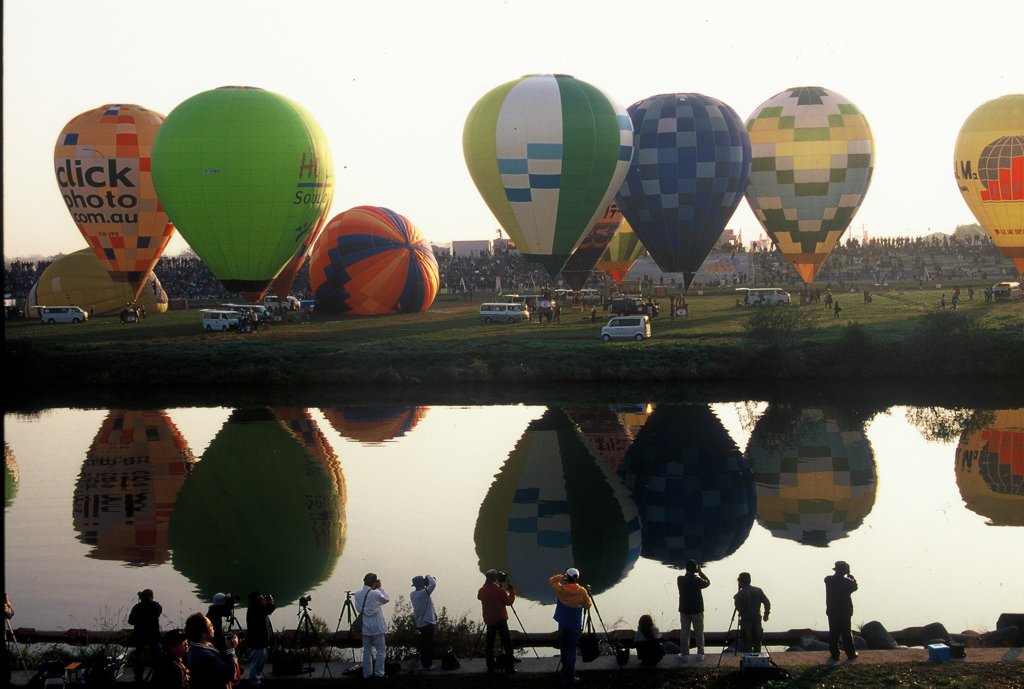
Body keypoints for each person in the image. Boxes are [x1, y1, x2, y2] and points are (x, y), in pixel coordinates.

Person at [549, 567, 592, 686]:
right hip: (574, 625)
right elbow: (588, 605)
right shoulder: (582, 591)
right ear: (577, 578)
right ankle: (570, 675)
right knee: (572, 649)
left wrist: (561, 576)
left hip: (562, 623)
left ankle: (565, 672)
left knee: (563, 647)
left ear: (567, 577)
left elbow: (552, 580)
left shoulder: (561, 589)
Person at [184, 613, 239, 689]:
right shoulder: (204, 655)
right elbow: (231, 673)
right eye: (210, 626)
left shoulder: (195, 648)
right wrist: (231, 649)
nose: (213, 627)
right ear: (203, 633)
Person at [477, 569, 516, 674]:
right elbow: (509, 602)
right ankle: (510, 667)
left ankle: (490, 666)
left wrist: (489, 584)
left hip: (489, 620)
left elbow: (479, 597)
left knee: (489, 644)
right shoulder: (500, 591)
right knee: (507, 643)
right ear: (495, 578)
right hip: (500, 620)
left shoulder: (482, 590)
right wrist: (511, 591)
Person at [355, 572, 390, 679]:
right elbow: (386, 599)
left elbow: (358, 609)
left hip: (365, 627)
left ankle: (367, 674)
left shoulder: (357, 594)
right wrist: (380, 588)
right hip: (377, 627)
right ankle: (379, 673)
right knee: (380, 650)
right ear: (374, 583)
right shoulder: (376, 593)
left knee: (366, 651)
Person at [824, 561, 859, 661]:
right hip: (845, 611)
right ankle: (850, 653)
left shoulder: (828, 580)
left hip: (832, 610)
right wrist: (851, 577)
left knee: (834, 632)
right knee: (846, 633)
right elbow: (855, 587)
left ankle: (835, 654)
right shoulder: (848, 583)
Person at [677, 559, 710, 662]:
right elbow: (708, 583)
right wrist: (700, 573)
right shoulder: (697, 580)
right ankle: (700, 654)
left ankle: (684, 654)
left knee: (684, 632)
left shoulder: (680, 579)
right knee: (699, 633)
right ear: (695, 568)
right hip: (697, 610)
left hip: (684, 610)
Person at [128, 588, 162, 681]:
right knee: (158, 656)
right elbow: (158, 611)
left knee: (138, 656)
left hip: (139, 635)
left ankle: (138, 677)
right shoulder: (156, 607)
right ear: (151, 597)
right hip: (154, 635)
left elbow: (130, 621)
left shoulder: (137, 607)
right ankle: (158, 676)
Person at [733, 572, 771, 653]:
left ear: (741, 582)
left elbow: (739, 608)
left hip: (745, 620)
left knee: (746, 640)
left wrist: (736, 598)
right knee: (758, 639)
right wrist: (766, 614)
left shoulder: (740, 594)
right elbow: (767, 602)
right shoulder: (758, 590)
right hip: (757, 618)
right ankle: (758, 658)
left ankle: (748, 658)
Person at [245, 591, 275, 685]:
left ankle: (256, 681)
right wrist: (270, 603)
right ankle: (254, 683)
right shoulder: (257, 610)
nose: (264, 600)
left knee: (259, 664)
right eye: (262, 599)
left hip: (260, 642)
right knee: (256, 665)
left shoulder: (256, 609)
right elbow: (268, 609)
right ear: (257, 601)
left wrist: (271, 603)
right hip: (258, 643)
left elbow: (269, 609)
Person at [410, 575, 437, 671]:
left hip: (420, 623)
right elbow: (433, 584)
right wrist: (429, 576)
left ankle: (424, 664)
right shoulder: (423, 593)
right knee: (428, 645)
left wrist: (425, 582)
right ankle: (427, 665)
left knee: (424, 644)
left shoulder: (412, 594)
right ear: (422, 584)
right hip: (428, 623)